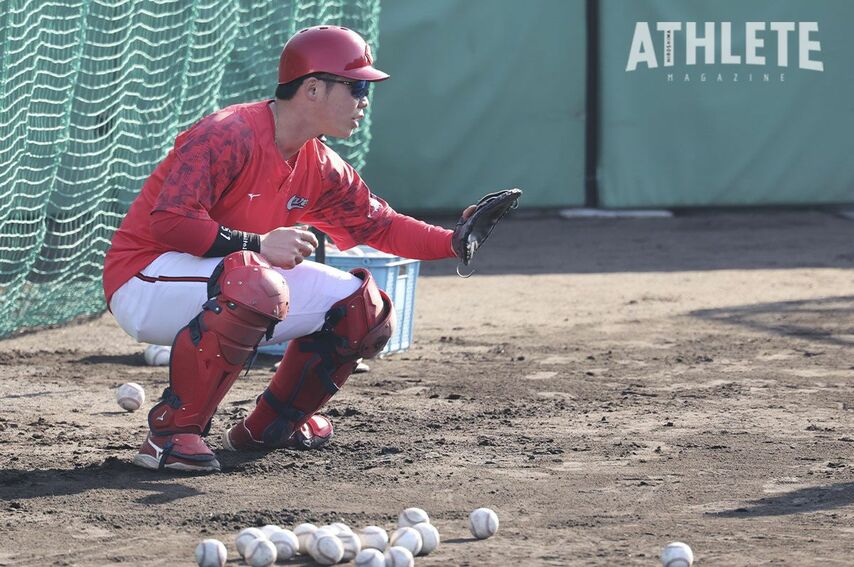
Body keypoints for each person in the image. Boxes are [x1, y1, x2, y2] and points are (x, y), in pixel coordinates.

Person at [102, 25, 477, 472]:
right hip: (144, 277)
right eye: (357, 86)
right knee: (254, 281)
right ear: (313, 88)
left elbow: (379, 224)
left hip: (224, 279)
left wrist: (455, 241)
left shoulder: (318, 162)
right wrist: (259, 243)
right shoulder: (228, 133)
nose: (364, 100)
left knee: (362, 308)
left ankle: (270, 425)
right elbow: (170, 222)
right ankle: (170, 434)